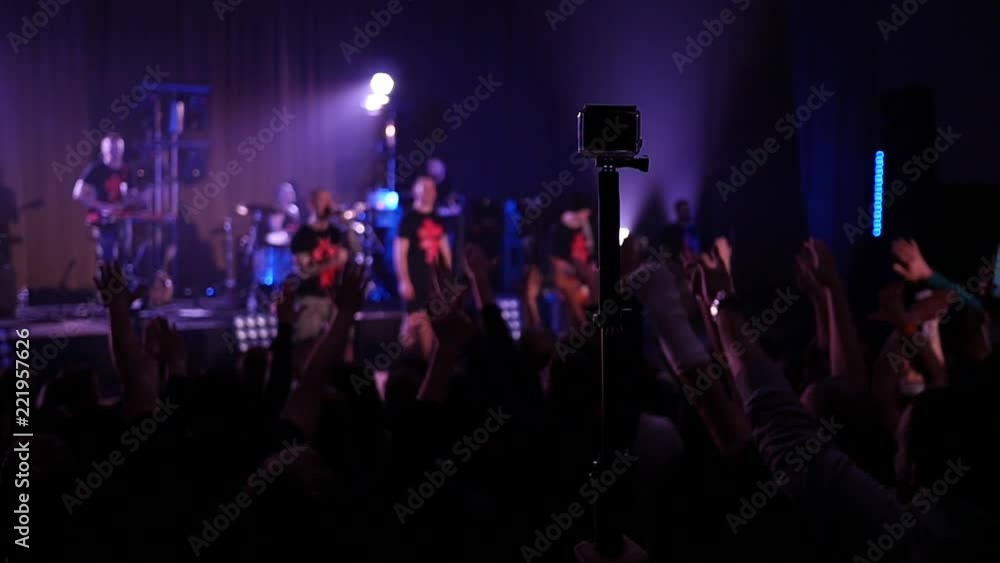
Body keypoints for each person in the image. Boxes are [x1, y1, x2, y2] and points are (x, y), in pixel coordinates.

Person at [394, 176, 451, 358]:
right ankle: (403, 363)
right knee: (412, 321)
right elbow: (399, 253)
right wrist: (404, 280)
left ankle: (427, 366)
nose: (430, 192)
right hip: (415, 278)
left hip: (433, 282)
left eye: (432, 188)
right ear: (415, 192)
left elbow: (445, 250)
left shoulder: (438, 219)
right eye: (425, 188)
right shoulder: (408, 220)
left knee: (430, 323)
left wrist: (446, 278)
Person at [290, 188, 348, 343]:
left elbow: (350, 256)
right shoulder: (302, 235)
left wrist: (347, 223)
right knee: (307, 344)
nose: (328, 204)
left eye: (330, 200)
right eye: (323, 200)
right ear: (312, 204)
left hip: (335, 299)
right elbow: (306, 270)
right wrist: (334, 262)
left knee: (341, 344)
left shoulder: (337, 233)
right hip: (311, 300)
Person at [73, 133, 131, 266]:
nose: (114, 153)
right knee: (108, 256)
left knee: (125, 256)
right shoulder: (96, 169)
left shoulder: (127, 170)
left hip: (122, 219)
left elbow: (130, 194)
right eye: (111, 149)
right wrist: (100, 206)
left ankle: (121, 283)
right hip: (102, 220)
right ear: (104, 150)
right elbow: (77, 193)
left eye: (117, 149)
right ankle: (107, 284)